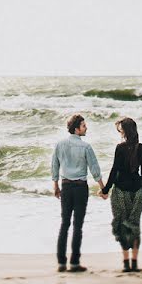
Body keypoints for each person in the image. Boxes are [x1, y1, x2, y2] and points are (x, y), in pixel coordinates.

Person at [51, 114, 105, 273]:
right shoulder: (86, 147)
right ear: (76, 129)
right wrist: (103, 188)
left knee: (64, 223)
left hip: (66, 187)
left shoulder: (59, 144)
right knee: (78, 225)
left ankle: (61, 263)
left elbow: (54, 166)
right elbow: (95, 170)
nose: (86, 127)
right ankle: (74, 262)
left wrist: (55, 185)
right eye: (83, 125)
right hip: (81, 188)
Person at [99, 116, 142, 272]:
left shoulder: (120, 148)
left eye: (120, 129)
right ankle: (134, 263)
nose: (119, 132)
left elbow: (115, 171)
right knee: (134, 226)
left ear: (125, 131)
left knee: (122, 225)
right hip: (137, 191)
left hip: (121, 191)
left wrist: (105, 190)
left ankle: (126, 263)